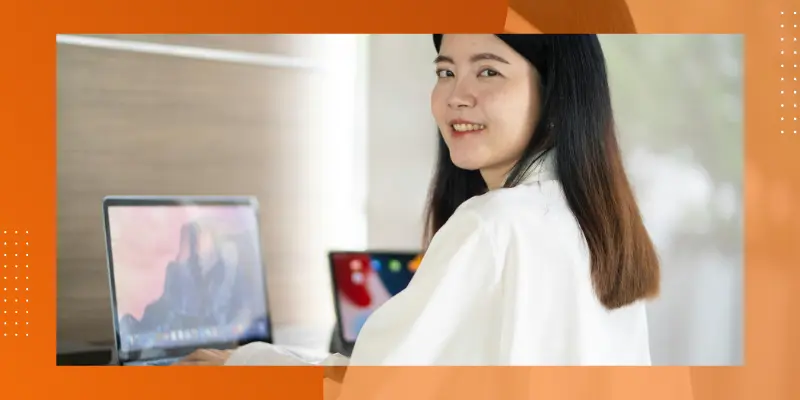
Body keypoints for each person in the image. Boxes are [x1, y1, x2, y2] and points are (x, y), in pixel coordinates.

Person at [176, 33, 660, 367]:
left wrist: (248, 362)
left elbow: (371, 387)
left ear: (556, 95)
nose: (456, 95)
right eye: (445, 71)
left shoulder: (495, 225)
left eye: (488, 71)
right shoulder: (600, 226)